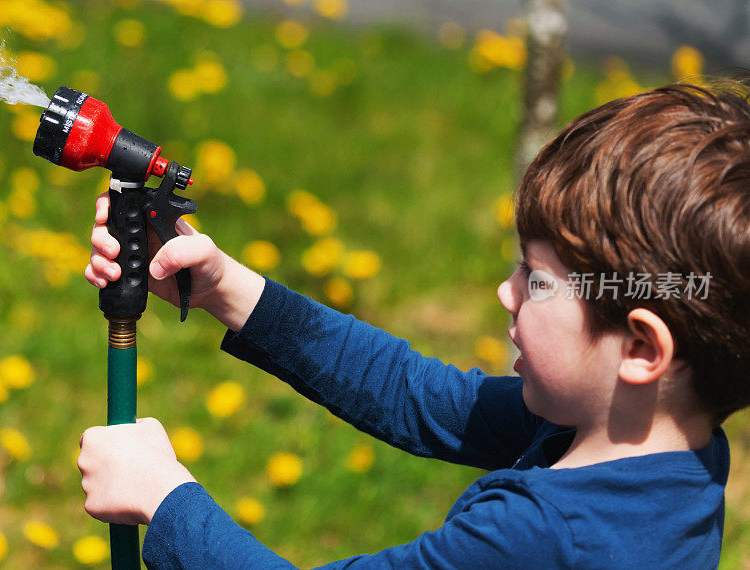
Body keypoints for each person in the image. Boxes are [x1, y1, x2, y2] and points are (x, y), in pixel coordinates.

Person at [78, 81, 750, 568]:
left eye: (537, 280)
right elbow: (417, 394)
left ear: (641, 347)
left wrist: (165, 500)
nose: (505, 292)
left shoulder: (539, 536)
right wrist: (230, 289)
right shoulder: (665, 451)